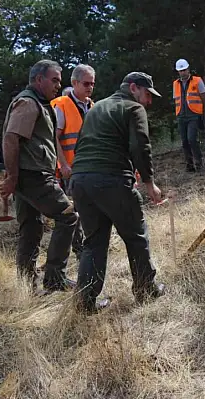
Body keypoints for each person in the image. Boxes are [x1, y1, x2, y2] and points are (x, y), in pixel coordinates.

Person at [71, 72, 166, 313]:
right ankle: (146, 289)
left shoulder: (96, 107)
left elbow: (82, 143)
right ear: (133, 88)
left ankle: (85, 302)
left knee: (93, 243)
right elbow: (140, 146)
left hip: (81, 181)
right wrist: (149, 183)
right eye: (146, 94)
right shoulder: (133, 109)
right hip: (110, 179)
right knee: (136, 236)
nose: (148, 101)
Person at [0, 59, 78, 293]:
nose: (58, 85)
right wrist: (12, 177)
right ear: (38, 79)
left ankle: (28, 286)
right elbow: (11, 138)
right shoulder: (28, 103)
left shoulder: (40, 103)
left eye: (59, 81)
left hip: (29, 174)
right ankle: (54, 278)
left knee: (32, 228)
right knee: (69, 216)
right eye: (54, 80)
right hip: (32, 176)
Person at [51, 64, 94, 260]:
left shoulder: (92, 106)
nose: (90, 87)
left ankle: (85, 245)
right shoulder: (61, 105)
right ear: (74, 82)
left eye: (92, 84)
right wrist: (63, 165)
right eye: (86, 83)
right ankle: (77, 249)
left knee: (88, 208)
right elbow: (54, 138)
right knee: (73, 210)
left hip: (90, 168)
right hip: (71, 169)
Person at [173, 58, 205, 172]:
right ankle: (189, 164)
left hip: (194, 114)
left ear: (188, 69)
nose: (182, 72)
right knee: (184, 141)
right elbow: (176, 99)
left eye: (184, 70)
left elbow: (204, 97)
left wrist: (204, 113)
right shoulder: (176, 84)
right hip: (181, 115)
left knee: (192, 139)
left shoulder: (197, 81)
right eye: (180, 70)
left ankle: (198, 162)